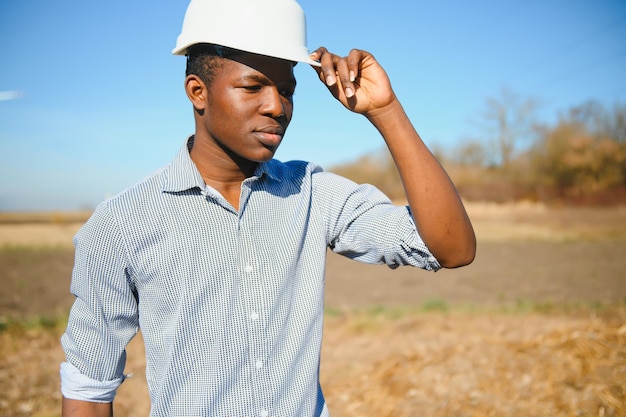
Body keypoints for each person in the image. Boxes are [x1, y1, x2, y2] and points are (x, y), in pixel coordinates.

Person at [60, 0, 476, 415]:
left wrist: (385, 111)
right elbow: (89, 388)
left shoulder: (311, 191)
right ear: (197, 92)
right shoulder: (121, 224)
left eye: (288, 90)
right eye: (253, 86)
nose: (277, 106)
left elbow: (451, 248)